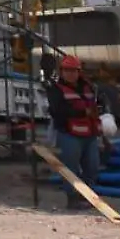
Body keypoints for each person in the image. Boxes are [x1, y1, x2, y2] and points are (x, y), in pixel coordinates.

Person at [47, 54, 103, 210]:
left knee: (92, 166)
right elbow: (57, 111)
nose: (70, 73)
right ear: (61, 71)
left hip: (90, 135)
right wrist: (83, 112)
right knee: (70, 169)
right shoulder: (56, 90)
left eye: (73, 70)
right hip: (69, 135)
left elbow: (98, 106)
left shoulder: (89, 87)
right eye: (67, 70)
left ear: (79, 71)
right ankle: (72, 199)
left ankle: (87, 197)